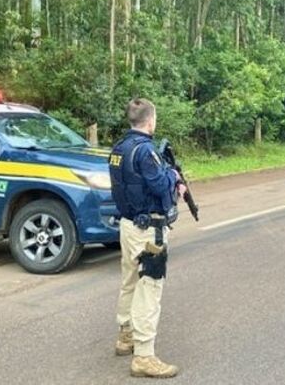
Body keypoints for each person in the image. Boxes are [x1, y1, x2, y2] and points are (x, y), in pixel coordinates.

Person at [109, 98, 186, 378]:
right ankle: (144, 355)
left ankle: (125, 335)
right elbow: (158, 184)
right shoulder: (146, 152)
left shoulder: (118, 148)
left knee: (130, 281)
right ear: (150, 120)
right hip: (149, 230)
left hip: (128, 226)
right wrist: (173, 175)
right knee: (150, 287)